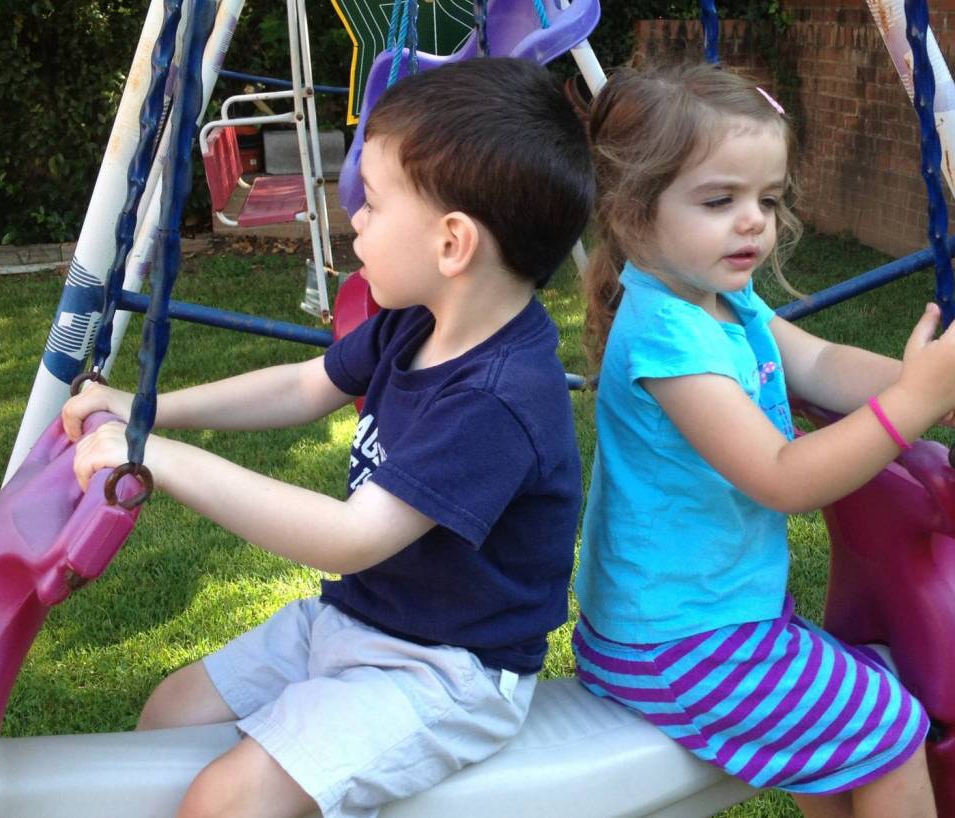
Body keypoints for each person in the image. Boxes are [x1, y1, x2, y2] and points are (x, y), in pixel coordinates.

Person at [62, 57, 593, 818]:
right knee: (169, 715)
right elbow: (303, 386)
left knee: (223, 802)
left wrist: (156, 459)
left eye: (372, 203)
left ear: (452, 244)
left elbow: (349, 539)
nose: (357, 222)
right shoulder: (418, 322)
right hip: (355, 620)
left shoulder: (499, 399)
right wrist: (146, 410)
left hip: (444, 672)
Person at [572, 63, 955, 818]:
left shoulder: (724, 301)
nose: (753, 222)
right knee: (891, 727)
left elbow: (822, 364)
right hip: (675, 644)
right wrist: (912, 401)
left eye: (766, 200)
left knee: (841, 747)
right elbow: (782, 477)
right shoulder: (668, 338)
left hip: (704, 619)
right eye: (719, 200)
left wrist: (926, 382)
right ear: (634, 214)